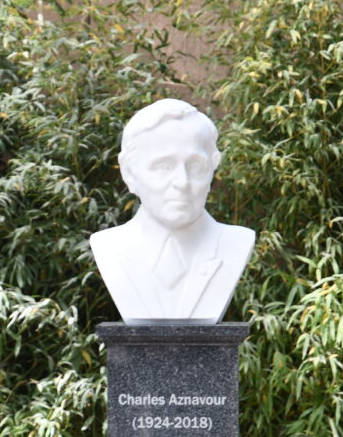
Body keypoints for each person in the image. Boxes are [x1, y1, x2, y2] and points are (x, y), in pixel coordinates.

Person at [90, 98, 256, 323]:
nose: (182, 182)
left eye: (196, 166)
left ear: (212, 169)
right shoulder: (109, 247)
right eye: (163, 167)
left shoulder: (236, 243)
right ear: (129, 173)